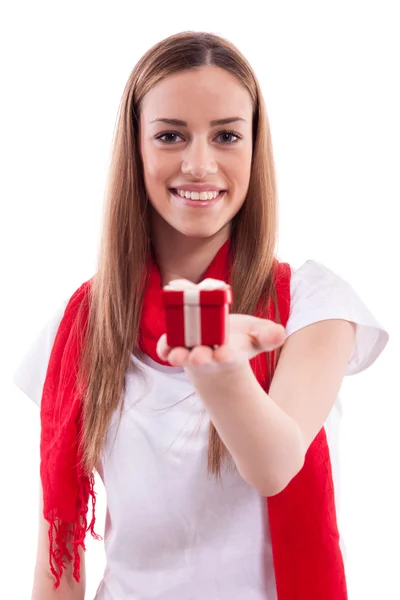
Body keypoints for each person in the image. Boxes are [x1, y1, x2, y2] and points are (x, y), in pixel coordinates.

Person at [14, 31, 389, 600]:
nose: (199, 164)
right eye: (170, 136)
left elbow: (275, 464)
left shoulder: (314, 306)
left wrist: (220, 370)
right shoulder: (81, 327)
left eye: (226, 136)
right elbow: (58, 555)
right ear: (136, 148)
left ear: (252, 148)